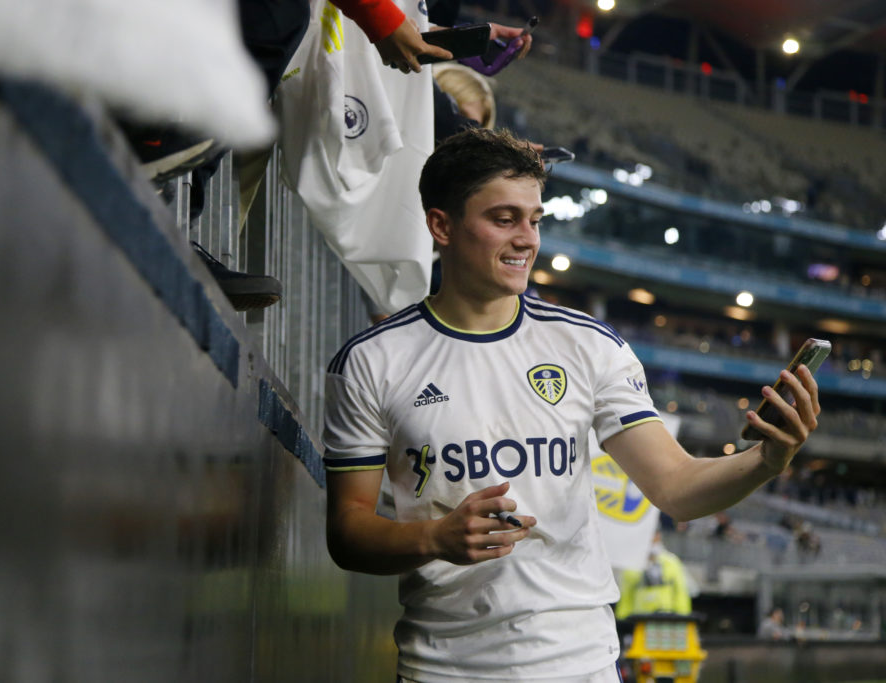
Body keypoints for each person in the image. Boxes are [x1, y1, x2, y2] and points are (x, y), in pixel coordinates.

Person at [322, 127, 821, 682]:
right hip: (443, 667)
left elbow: (676, 489)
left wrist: (765, 462)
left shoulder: (590, 346)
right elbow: (347, 531)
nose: (527, 239)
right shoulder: (370, 361)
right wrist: (433, 537)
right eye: (504, 219)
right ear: (441, 225)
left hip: (580, 664)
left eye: (535, 220)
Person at [614, 531, 692, 619]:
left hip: (666, 619)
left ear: (658, 536)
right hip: (639, 621)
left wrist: (683, 619)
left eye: (653, 535)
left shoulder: (672, 562)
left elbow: (681, 593)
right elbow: (625, 597)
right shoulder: (631, 565)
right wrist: (623, 621)